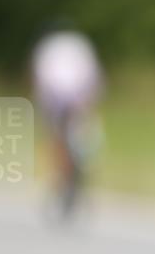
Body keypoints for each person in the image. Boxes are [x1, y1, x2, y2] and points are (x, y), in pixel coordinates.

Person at [30, 24, 105, 220]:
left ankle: (61, 180)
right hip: (81, 92)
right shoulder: (79, 43)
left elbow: (42, 81)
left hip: (57, 95)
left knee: (56, 139)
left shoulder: (46, 48)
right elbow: (94, 75)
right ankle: (80, 175)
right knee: (82, 134)